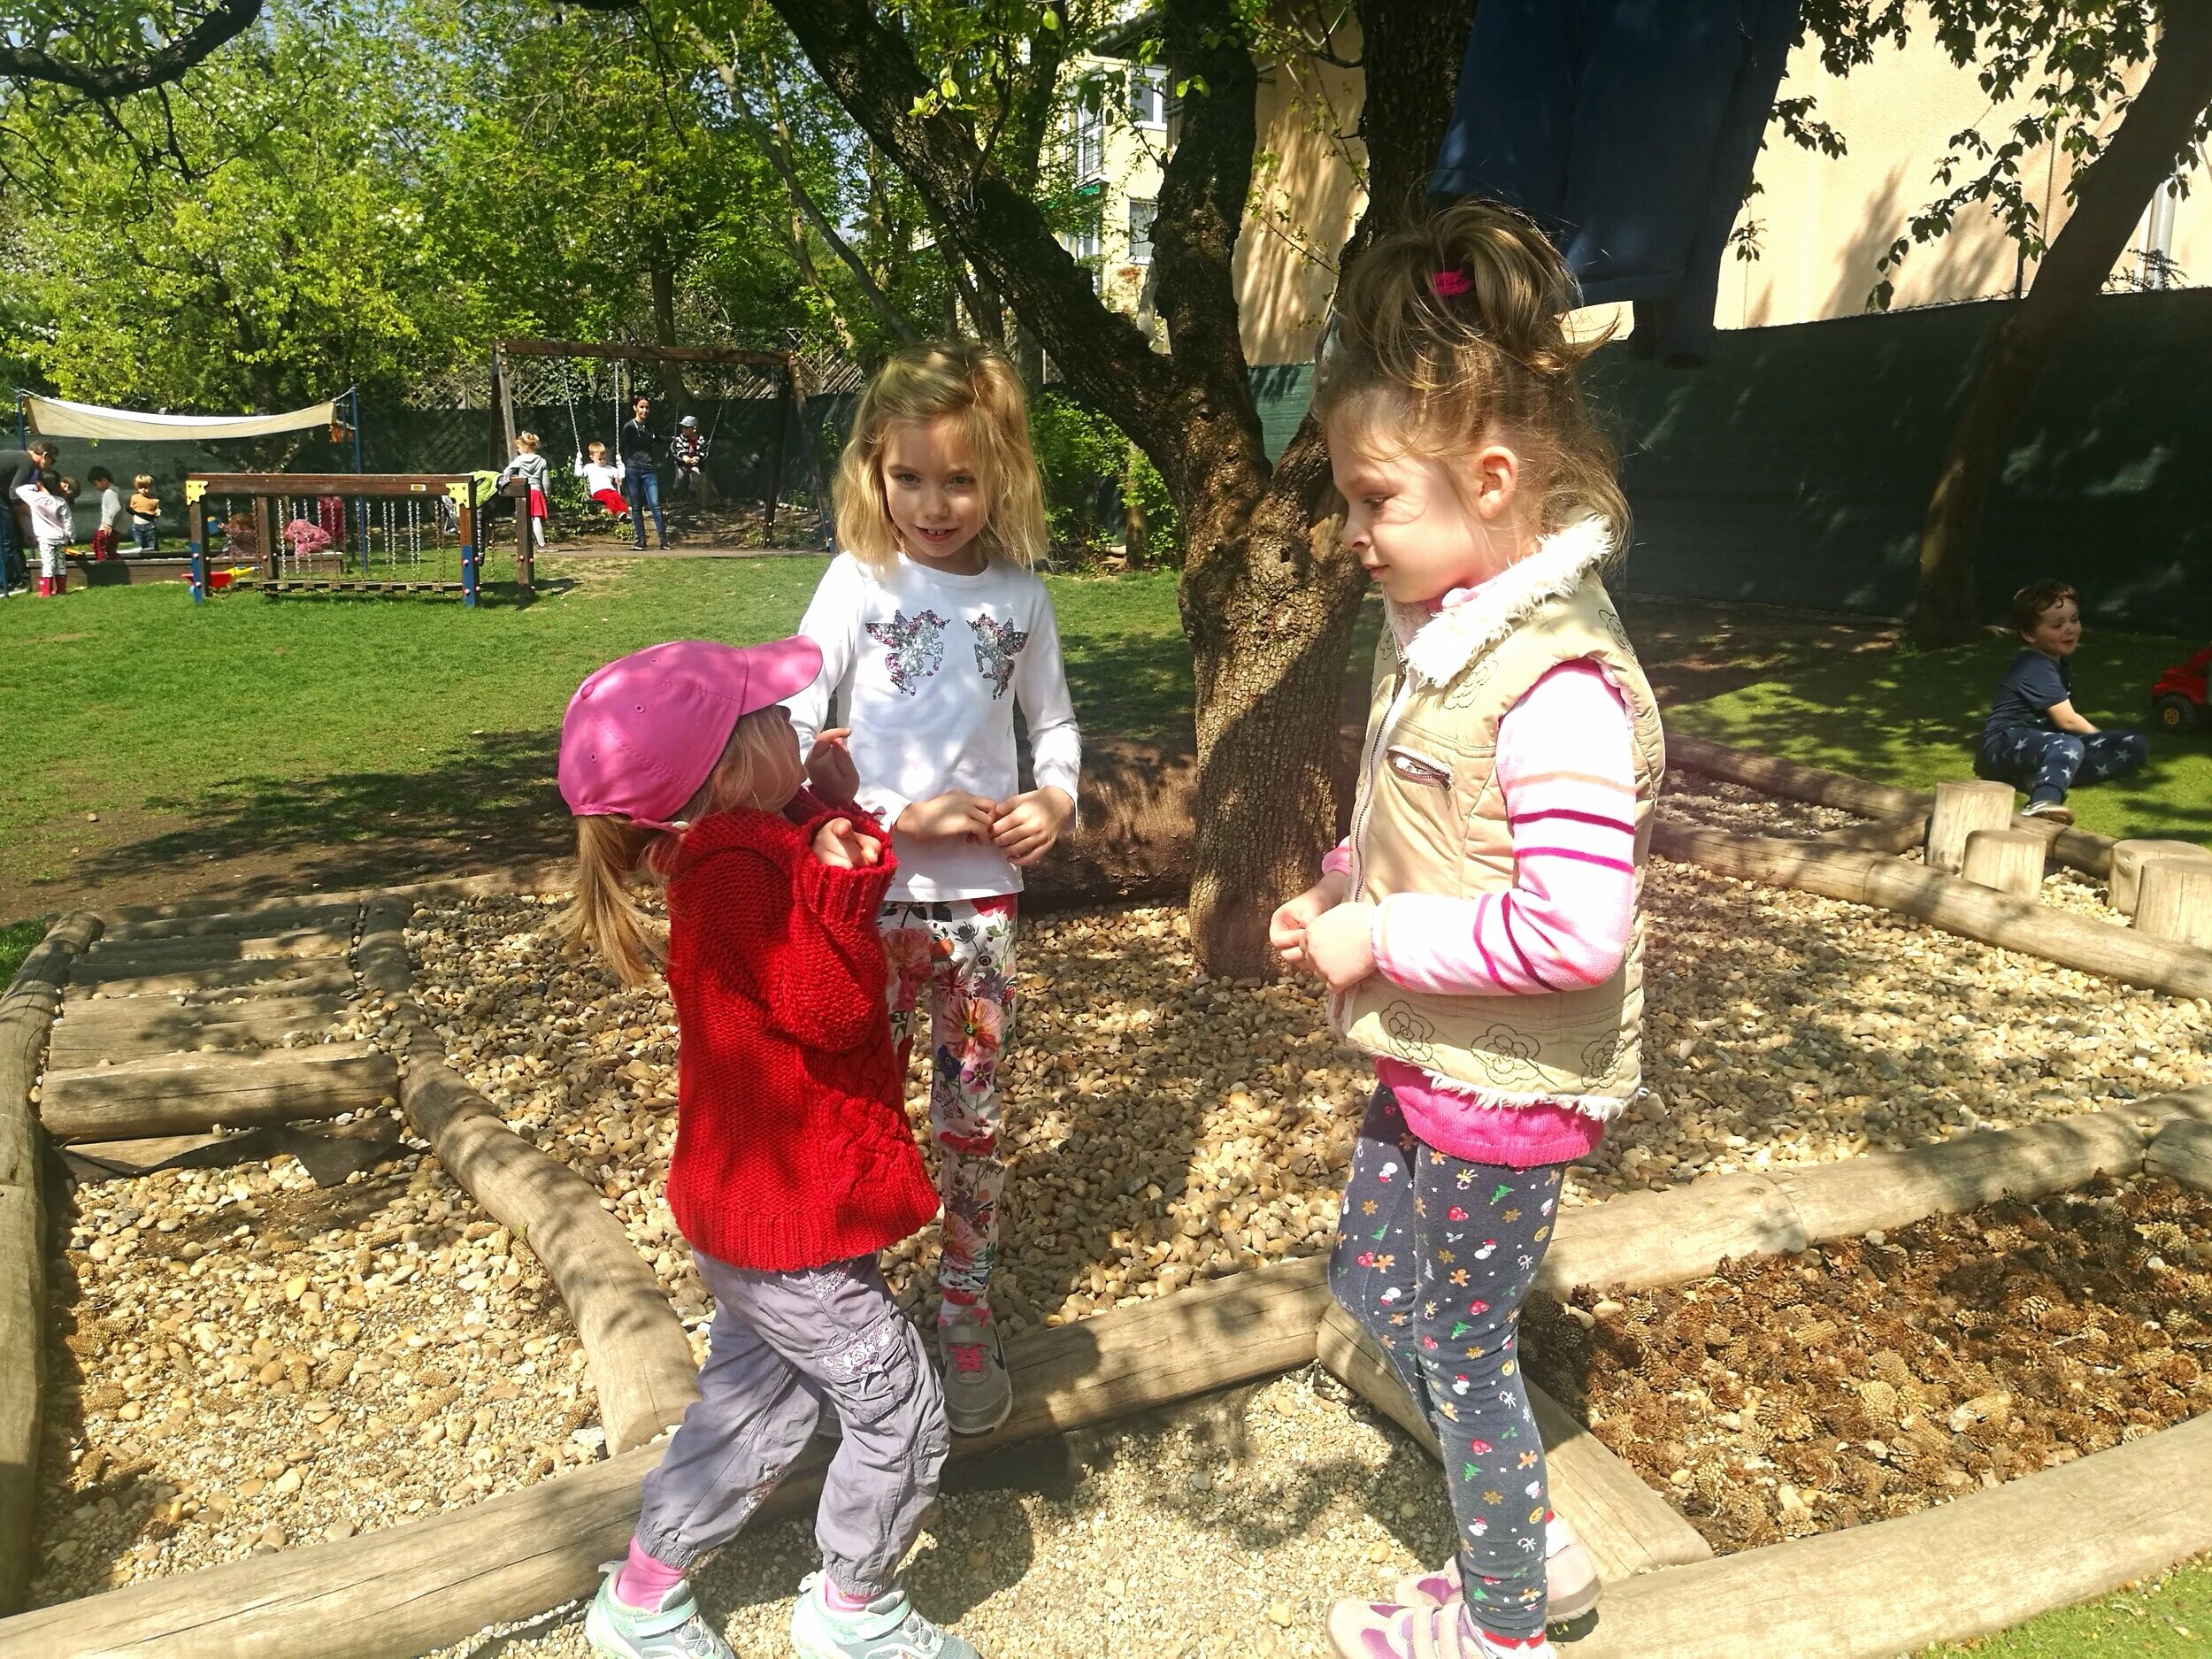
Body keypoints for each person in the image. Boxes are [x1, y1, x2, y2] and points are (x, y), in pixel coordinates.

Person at [1271, 201, 1665, 1659]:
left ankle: (1506, 1618)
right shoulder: (1443, 632)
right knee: (1375, 1283)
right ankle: (1529, 1540)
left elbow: (1571, 934)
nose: (1352, 531)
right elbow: (1430, 832)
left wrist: (1378, 939)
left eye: (1374, 498)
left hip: (1503, 1095)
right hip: (1434, 1060)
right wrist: (1333, 889)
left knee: (1463, 1346)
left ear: (1491, 481)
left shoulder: (1555, 687)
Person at [558, 637, 979, 1659]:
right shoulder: (741, 873)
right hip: (793, 1222)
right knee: (901, 1418)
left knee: (755, 1405)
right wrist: (843, 872)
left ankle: (644, 1596)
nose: (799, 723)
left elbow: (800, 887)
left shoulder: (732, 847)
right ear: (733, 763)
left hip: (755, 1211)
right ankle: (853, 1610)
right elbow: (833, 1009)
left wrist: (828, 808)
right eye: (775, 720)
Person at [787, 339, 1082, 1438]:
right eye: (909, 477)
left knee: (970, 1124)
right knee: (853, 1114)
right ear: (873, 470)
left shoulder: (1020, 599)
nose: (933, 502)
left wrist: (1055, 802)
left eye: (959, 479)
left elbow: (1052, 727)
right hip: (865, 904)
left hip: (979, 917)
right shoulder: (856, 583)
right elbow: (794, 731)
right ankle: (844, 1320)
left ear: (1001, 475)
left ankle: (963, 1306)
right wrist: (891, 813)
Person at [1973, 580, 2147, 826]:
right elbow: (2067, 720)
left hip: (2048, 744)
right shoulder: (2033, 665)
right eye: (2057, 625)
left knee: (2134, 743)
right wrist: (2098, 739)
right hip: (2006, 742)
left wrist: (2103, 742)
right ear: (2029, 634)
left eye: (2074, 620)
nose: (2070, 629)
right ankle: (2042, 801)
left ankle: (2038, 776)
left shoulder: (2055, 662)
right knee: (2071, 745)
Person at [2, 439, 58, 595]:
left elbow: (13, 500)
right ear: (45, 456)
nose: (51, 465)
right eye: (53, 461)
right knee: (7, 540)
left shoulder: (19, 459)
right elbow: (15, 495)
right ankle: (7, 583)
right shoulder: (27, 462)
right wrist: (41, 514)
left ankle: (14, 580)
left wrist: (26, 530)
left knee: (10, 536)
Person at [620, 395, 670, 549]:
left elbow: (657, 438)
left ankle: (663, 540)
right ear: (635, 408)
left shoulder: (650, 426)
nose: (645, 410)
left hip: (649, 469)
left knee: (655, 504)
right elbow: (622, 447)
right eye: (641, 407)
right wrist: (623, 465)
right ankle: (641, 541)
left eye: (647, 407)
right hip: (633, 469)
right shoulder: (629, 427)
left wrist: (674, 439)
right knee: (636, 505)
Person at [18, 472, 78, 595]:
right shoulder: (60, 501)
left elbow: (20, 489)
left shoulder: (34, 498)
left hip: (45, 538)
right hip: (61, 538)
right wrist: (71, 536)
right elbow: (68, 521)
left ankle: (46, 592)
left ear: (40, 483)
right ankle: (61, 590)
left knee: (48, 564)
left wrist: (35, 487)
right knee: (60, 563)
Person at [496, 430, 552, 549]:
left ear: (525, 447)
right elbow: (546, 482)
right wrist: (547, 495)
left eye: (519, 447)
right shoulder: (542, 461)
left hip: (524, 491)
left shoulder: (520, 460)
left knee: (524, 517)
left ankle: (525, 543)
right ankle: (542, 544)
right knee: (536, 518)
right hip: (536, 491)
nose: (518, 450)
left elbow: (507, 471)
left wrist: (511, 478)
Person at [574, 441, 631, 521]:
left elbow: (621, 475)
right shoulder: (589, 467)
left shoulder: (610, 468)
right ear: (591, 457)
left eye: (604, 459)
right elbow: (579, 473)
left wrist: (619, 461)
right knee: (610, 498)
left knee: (619, 498)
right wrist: (578, 459)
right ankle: (617, 513)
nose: (602, 461)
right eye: (599, 459)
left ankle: (626, 514)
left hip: (611, 490)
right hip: (598, 491)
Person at [87, 467, 125, 561]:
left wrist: (109, 523)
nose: (96, 487)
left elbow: (116, 508)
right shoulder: (117, 491)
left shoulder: (109, 492)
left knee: (98, 545)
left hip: (108, 528)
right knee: (110, 549)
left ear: (104, 480)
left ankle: (103, 564)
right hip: (117, 528)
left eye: (96, 484)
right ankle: (113, 561)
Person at [129, 474, 162, 553]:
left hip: (150, 527)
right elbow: (132, 508)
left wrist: (157, 512)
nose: (144, 490)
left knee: (152, 545)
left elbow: (156, 510)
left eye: (146, 487)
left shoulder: (154, 500)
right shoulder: (135, 498)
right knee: (139, 547)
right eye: (140, 488)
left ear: (151, 487)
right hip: (137, 527)